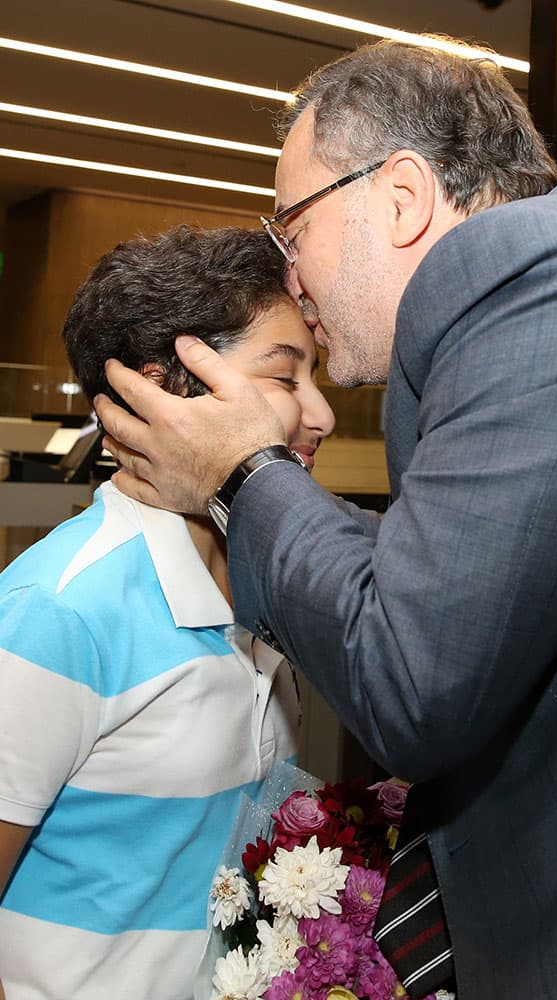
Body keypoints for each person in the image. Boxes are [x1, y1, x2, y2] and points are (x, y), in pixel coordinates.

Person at [95, 37, 557, 1000]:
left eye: (294, 231)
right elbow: (478, 579)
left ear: (403, 196)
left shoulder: (523, 262)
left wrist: (243, 475)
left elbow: (414, 672)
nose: (291, 278)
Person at [0, 224, 335, 1000]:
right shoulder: (60, 612)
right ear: (161, 393)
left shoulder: (264, 584)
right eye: (286, 380)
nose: (318, 415)